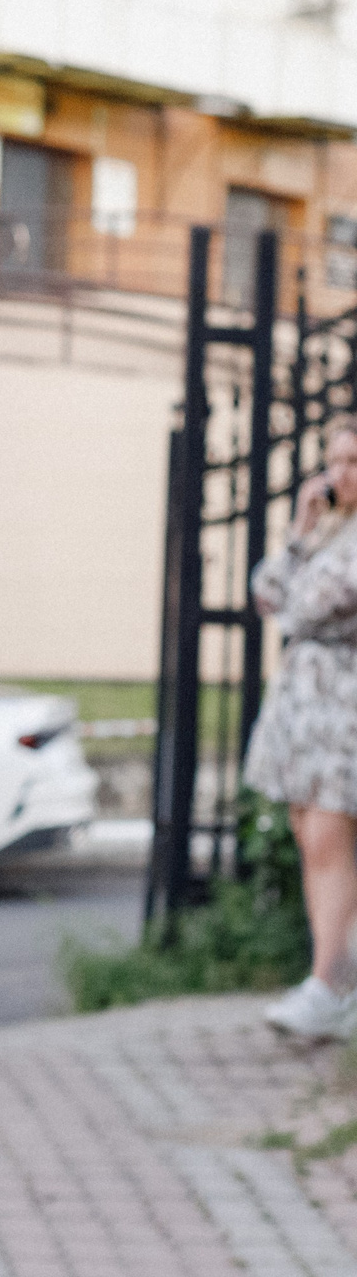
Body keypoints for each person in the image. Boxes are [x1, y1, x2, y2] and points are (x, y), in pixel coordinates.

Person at [247, 417, 357, 1042]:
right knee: (308, 838)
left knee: (327, 841)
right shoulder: (328, 534)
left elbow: (311, 606)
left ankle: (329, 984)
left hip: (343, 710)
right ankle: (333, 980)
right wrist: (300, 529)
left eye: (355, 462)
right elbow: (267, 592)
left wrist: (298, 580)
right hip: (302, 712)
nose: (341, 474)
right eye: (335, 460)